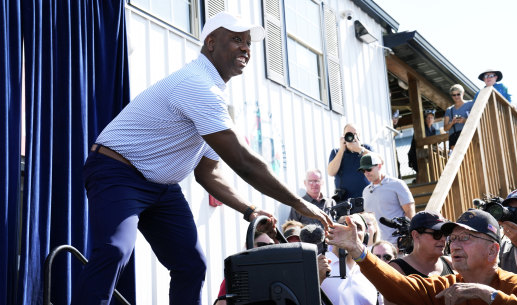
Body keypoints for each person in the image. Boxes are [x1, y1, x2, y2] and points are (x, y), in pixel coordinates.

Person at [73, 12, 333, 305]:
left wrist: (249, 210)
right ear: (210, 42)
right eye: (237, 39)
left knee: (191, 265)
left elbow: (208, 173)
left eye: (248, 43)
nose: (246, 48)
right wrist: (298, 203)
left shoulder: (215, 99)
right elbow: (244, 163)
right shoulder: (197, 84)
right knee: (114, 250)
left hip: (162, 188)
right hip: (118, 171)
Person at [328, 209, 517, 305]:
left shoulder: (515, 285)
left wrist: (488, 295)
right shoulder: (446, 287)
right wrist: (358, 249)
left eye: (466, 237)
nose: (455, 245)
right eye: (454, 238)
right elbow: (398, 286)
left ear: (493, 250)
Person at [321, 214, 379, 305]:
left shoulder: (373, 268)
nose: (351, 230)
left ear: (365, 236)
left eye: (358, 227)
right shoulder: (317, 264)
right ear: (331, 231)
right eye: (345, 224)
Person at [359, 153, 415, 244]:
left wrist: (406, 241)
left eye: (369, 169)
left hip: (396, 243)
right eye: (363, 170)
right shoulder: (365, 191)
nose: (366, 173)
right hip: (376, 247)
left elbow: (410, 213)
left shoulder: (397, 184)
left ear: (379, 166)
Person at [388, 211, 454, 278]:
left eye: (445, 234)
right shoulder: (396, 269)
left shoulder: (451, 264)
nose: (443, 239)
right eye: (437, 234)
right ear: (416, 235)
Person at [327, 123, 373, 201]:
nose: (351, 137)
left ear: (359, 135)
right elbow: (331, 172)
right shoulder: (336, 152)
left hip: (367, 199)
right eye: (349, 134)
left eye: (354, 134)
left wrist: (359, 149)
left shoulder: (366, 149)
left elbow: (377, 161)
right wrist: (342, 150)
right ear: (343, 136)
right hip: (345, 202)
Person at [444, 84, 473, 152]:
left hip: (468, 135)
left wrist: (464, 120)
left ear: (463, 93)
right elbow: (445, 128)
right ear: (451, 96)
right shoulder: (449, 110)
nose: (456, 96)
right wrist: (452, 122)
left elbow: (478, 119)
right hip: (454, 139)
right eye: (454, 95)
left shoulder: (471, 104)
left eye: (458, 94)